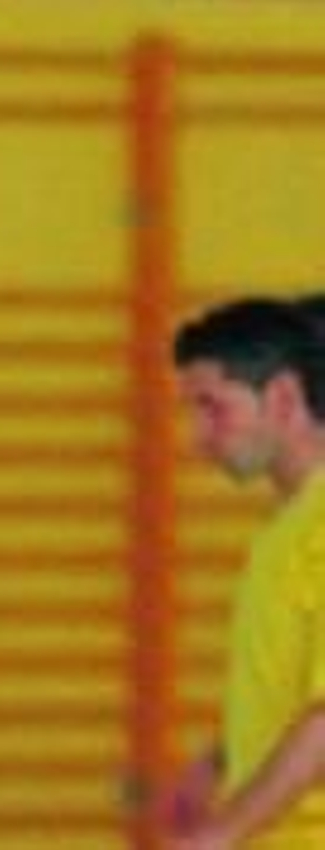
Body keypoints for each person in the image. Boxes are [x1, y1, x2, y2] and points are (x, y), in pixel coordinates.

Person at [165, 297, 325, 848]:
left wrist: (222, 832)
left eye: (213, 407)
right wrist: (220, 761)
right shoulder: (286, 532)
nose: (198, 438)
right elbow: (293, 692)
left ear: (282, 397)